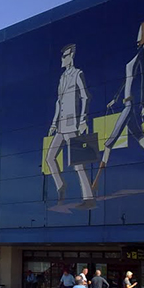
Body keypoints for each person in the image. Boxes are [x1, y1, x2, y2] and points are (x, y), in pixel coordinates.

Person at [92, 19, 144, 191]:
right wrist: (114, 99)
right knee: (143, 142)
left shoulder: (142, 54)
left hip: (129, 107)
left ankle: (94, 184)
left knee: (109, 143)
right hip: (126, 105)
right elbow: (127, 82)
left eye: (141, 32)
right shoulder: (135, 54)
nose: (138, 35)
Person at [46, 43, 95, 209]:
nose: (62, 59)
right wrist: (53, 124)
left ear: (71, 56)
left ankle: (88, 198)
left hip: (72, 124)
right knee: (49, 158)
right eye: (62, 56)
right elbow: (58, 102)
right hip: (60, 126)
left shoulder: (77, 74)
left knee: (78, 163)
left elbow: (86, 97)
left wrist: (82, 120)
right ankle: (61, 185)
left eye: (65, 56)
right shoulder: (62, 78)